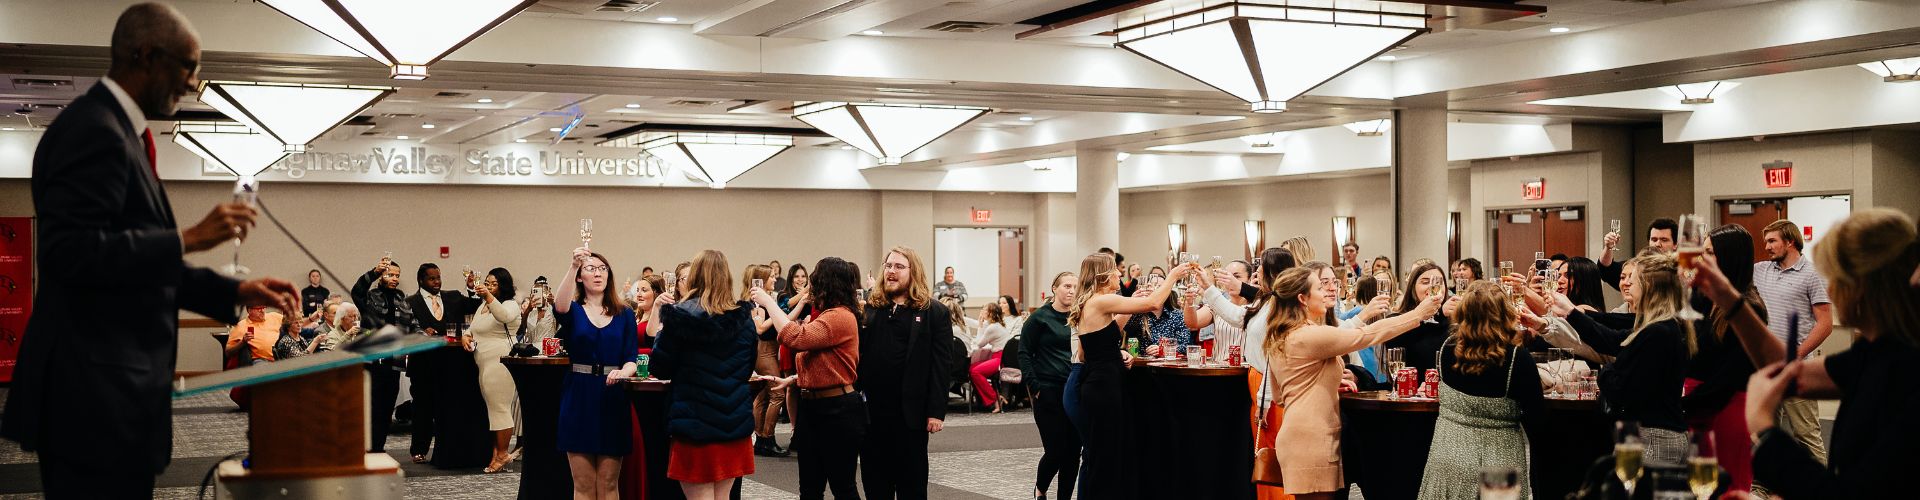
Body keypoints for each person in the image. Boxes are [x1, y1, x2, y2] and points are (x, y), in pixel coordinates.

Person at [0, 5, 303, 496]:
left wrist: (237, 290)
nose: (194, 83)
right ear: (146, 55)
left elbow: (136, 266)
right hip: (91, 399)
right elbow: (70, 253)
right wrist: (187, 238)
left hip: (112, 399)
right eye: (188, 66)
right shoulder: (93, 130)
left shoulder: (124, 133)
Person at [1691, 208, 1918, 499]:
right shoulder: (1877, 352)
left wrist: (1765, 429)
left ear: (1862, 285)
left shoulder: (1907, 372)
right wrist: (1727, 298)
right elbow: (1788, 372)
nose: (1830, 291)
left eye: (1835, 278)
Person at [1264, 263, 1440, 500]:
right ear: (1302, 299)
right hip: (1313, 440)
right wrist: (1418, 314)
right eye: (1319, 288)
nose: (1326, 293)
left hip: (1298, 436)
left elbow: (1281, 395)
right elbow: (1366, 335)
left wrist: (1325, 383)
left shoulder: (1282, 334)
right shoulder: (1308, 335)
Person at [1065, 253, 1188, 500]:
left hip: (1100, 382)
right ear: (1103, 275)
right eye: (1115, 269)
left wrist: (1115, 352)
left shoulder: (1093, 302)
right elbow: (1154, 302)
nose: (1119, 274)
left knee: (1107, 452)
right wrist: (1173, 275)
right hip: (1103, 387)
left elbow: (1085, 352)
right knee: (1107, 456)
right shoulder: (1102, 300)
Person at [1415, 281, 1545, 500]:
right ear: (1505, 313)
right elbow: (1537, 418)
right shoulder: (1517, 358)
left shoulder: (1447, 348)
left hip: (1449, 453)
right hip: (1499, 460)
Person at [1564, 254, 1695, 469]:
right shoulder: (1670, 325)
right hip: (1666, 433)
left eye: (1632, 281)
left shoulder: (1656, 332)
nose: (1627, 286)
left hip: (1651, 438)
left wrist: (1608, 370)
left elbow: (1624, 390)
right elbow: (1612, 339)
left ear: (1648, 286)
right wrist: (1569, 313)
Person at [648, 250, 759, 500]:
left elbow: (659, 367)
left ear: (694, 277)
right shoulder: (744, 320)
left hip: (695, 423)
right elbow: (748, 366)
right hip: (733, 424)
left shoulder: (679, 316)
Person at [754, 257, 865, 500]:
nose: (811, 282)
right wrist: (795, 379)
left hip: (837, 410)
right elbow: (826, 362)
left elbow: (796, 338)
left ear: (827, 281)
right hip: (813, 407)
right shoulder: (828, 314)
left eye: (815, 276)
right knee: (810, 490)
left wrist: (768, 302)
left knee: (843, 489)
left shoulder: (840, 316)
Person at [858, 246, 953, 500]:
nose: (891, 271)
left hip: (910, 418)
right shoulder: (870, 309)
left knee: (912, 490)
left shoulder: (934, 312)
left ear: (914, 272)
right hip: (872, 418)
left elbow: (941, 366)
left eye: (899, 267)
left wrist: (936, 411)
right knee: (875, 489)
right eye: (888, 266)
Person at [554, 249, 642, 500]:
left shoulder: (624, 313)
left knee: (608, 484)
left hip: (612, 395)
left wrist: (624, 371)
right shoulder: (573, 310)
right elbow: (559, 307)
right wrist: (573, 265)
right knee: (583, 484)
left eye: (603, 268)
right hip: (579, 394)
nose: (598, 273)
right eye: (590, 269)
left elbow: (631, 358)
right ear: (580, 277)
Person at [1752, 218, 1833, 465]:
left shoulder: (1813, 274)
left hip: (1797, 369)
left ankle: (1821, 484)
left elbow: (1825, 324)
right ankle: (1762, 485)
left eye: (1772, 241)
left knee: (1807, 436)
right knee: (1764, 437)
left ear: (1790, 242)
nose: (1766, 246)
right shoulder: (1760, 270)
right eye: (1766, 241)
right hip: (1765, 369)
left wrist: (1796, 354)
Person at [404, 262, 481, 465]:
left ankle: (449, 448)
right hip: (422, 362)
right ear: (421, 280)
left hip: (452, 362)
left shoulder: (453, 296)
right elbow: (403, 328)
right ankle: (419, 449)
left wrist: (472, 288)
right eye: (431, 279)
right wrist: (420, 333)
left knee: (449, 406)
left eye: (438, 277)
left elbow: (476, 306)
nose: (436, 282)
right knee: (422, 406)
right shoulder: (409, 302)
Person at [1021, 271, 1080, 500]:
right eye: (1067, 286)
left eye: (1075, 286)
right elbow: (1024, 354)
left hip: (1074, 389)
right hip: (1048, 390)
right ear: (1054, 289)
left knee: (1073, 454)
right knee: (1056, 452)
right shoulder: (1040, 317)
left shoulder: (1080, 315)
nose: (1071, 291)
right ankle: (1040, 489)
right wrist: (1035, 386)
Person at [353, 259, 421, 454]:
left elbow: (413, 325)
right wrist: (373, 272)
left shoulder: (402, 300)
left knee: (387, 409)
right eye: (390, 275)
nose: (395, 279)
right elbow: (357, 291)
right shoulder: (370, 297)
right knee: (373, 409)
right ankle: (370, 449)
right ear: (381, 276)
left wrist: (426, 337)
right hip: (373, 361)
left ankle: (379, 448)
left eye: (397, 276)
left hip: (394, 362)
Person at [465, 268, 523, 473]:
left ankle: (503, 454)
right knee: (492, 409)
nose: (489, 287)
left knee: (500, 408)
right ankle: (496, 454)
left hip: (500, 360)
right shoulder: (483, 305)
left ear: (504, 286)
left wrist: (488, 296)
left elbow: (503, 316)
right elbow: (473, 327)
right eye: (487, 283)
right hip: (483, 362)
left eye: (494, 284)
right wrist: (465, 335)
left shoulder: (510, 304)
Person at [738, 264, 790, 458]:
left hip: (768, 351)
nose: (775, 280)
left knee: (764, 395)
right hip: (764, 352)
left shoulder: (763, 301)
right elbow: (759, 328)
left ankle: (760, 439)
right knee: (777, 395)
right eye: (771, 277)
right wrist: (774, 310)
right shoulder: (756, 302)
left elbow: (783, 318)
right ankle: (767, 439)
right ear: (761, 280)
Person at [1382, 262, 1452, 374]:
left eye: (1438, 282)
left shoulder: (1452, 321)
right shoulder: (1396, 319)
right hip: (1411, 383)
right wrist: (1439, 314)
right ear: (1413, 287)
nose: (1432, 286)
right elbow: (1394, 341)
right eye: (1425, 282)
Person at [1186, 260, 1251, 365]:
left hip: (1246, 369)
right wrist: (1189, 302)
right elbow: (1192, 322)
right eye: (1227, 277)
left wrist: (1247, 358)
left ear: (1250, 280)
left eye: (1237, 277)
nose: (1231, 281)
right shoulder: (1218, 304)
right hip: (1219, 369)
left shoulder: (1257, 306)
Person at [1600, 217, 1678, 289]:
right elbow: (1606, 271)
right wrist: (1608, 247)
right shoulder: (1637, 266)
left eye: (1664, 240)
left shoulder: (1680, 269)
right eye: (1654, 240)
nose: (1657, 244)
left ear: (1675, 244)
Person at [969, 302, 1014, 413]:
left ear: (990, 313)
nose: (982, 311)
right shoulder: (996, 325)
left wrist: (980, 326)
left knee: (975, 372)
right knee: (970, 369)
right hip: (1000, 357)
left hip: (1000, 359)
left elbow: (979, 344)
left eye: (985, 309)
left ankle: (995, 401)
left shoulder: (992, 327)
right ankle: (982, 400)